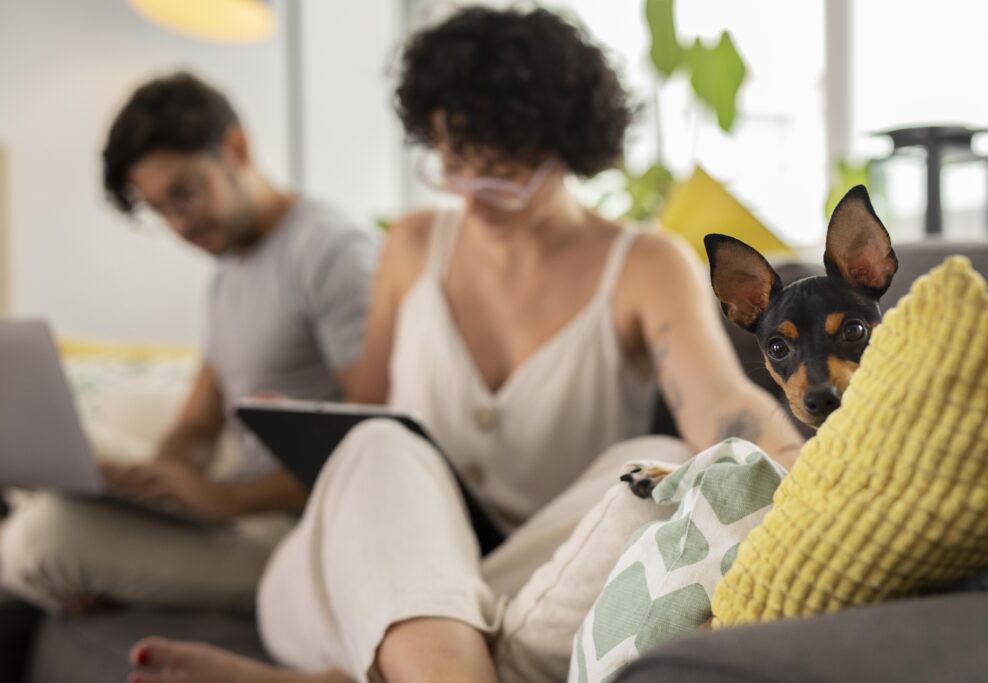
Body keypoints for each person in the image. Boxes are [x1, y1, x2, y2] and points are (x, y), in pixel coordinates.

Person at [127, 8, 804, 683]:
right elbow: (360, 426)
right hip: (360, 566)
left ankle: (377, 671)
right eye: (452, 162)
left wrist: (816, 476)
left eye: (503, 173)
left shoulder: (645, 265)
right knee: (381, 445)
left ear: (564, 149)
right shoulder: (412, 245)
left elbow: (722, 409)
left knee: (654, 465)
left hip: (540, 574)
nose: (473, 199)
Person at [0, 72, 380, 615]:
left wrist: (225, 499)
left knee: (40, 538)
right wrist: (148, 482)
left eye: (185, 192)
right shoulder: (230, 272)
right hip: (233, 509)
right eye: (160, 208)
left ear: (237, 149)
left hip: (295, 534)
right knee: (55, 480)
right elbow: (199, 426)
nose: (179, 222)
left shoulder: (333, 253)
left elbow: (374, 441)